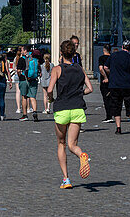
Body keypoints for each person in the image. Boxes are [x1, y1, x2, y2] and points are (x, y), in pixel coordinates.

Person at [48, 39, 93, 188]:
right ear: (74, 53)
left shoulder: (57, 69)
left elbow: (49, 89)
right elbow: (90, 88)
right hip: (77, 108)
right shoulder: (80, 69)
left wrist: (50, 98)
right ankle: (82, 155)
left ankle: (66, 179)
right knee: (73, 144)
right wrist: (79, 94)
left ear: (61, 53)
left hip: (62, 109)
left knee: (61, 143)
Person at [107, 40, 130, 134]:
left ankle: (118, 128)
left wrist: (112, 74)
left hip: (115, 85)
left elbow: (105, 67)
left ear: (122, 47)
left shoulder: (113, 56)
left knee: (116, 106)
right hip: (127, 86)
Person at [20, 49, 40, 121]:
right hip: (34, 80)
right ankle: (34, 111)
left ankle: (25, 115)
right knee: (33, 97)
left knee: (24, 97)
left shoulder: (24, 59)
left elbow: (19, 70)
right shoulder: (36, 60)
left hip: (25, 79)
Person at [97, 43, 114, 124]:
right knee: (112, 97)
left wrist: (105, 77)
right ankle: (114, 114)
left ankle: (109, 116)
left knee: (106, 98)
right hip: (113, 80)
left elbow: (101, 68)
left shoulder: (102, 58)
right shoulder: (113, 57)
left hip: (105, 81)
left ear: (104, 50)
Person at [11, 46, 25, 114]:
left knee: (17, 92)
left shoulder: (15, 58)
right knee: (24, 92)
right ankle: (26, 107)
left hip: (16, 75)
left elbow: (14, 68)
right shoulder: (24, 59)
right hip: (23, 75)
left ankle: (18, 108)